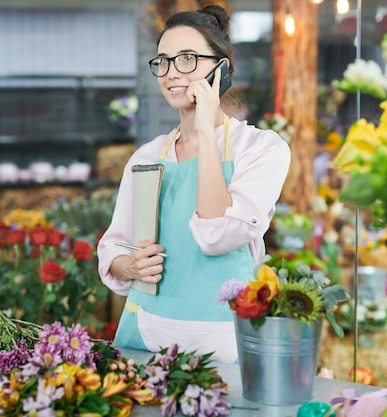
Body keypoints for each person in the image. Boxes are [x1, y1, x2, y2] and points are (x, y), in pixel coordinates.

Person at [97, 5, 291, 363]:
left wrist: (205, 130)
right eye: (163, 61)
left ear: (223, 69)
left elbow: (217, 236)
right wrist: (129, 266)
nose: (172, 73)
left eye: (188, 58)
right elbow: (115, 246)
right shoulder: (147, 157)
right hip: (145, 335)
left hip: (225, 342)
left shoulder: (262, 150)